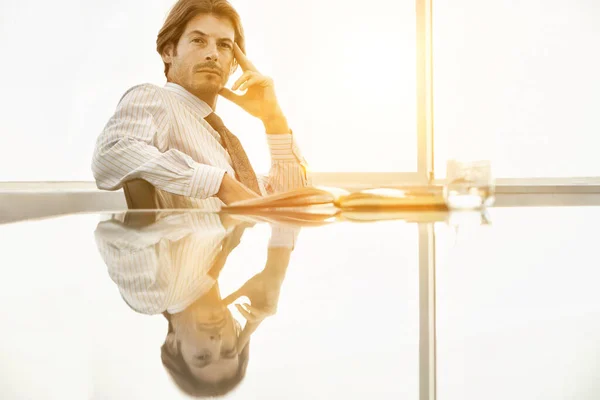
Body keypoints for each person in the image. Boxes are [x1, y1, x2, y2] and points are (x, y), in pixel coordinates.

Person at [91, 0, 309, 209]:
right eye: (198, 40)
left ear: (234, 64)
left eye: (224, 45)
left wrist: (273, 120)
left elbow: (292, 206)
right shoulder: (154, 99)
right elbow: (113, 151)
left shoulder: (221, 146)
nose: (213, 54)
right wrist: (220, 184)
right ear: (168, 52)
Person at [95, 209, 296, 397]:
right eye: (228, 350)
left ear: (173, 345)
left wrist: (221, 219)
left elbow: (115, 237)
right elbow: (292, 178)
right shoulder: (223, 247)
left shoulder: (151, 296)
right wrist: (276, 269)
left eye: (202, 356)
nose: (216, 341)